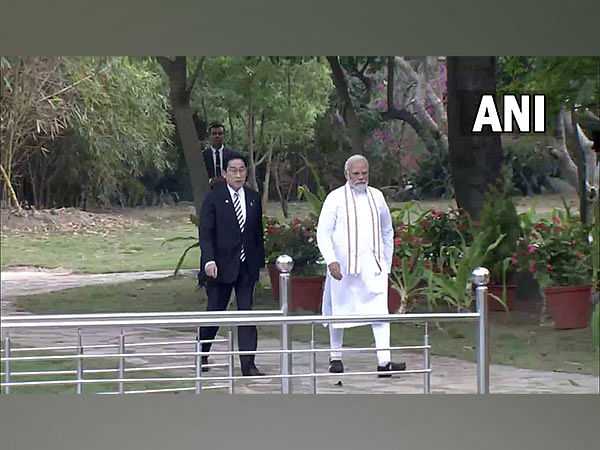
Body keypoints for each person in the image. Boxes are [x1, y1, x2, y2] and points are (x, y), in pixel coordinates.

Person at [316, 154, 407, 377]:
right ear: (347, 174)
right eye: (356, 173)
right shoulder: (335, 198)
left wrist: (385, 262)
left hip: (372, 267)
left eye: (364, 173)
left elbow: (387, 230)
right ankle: (335, 357)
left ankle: (384, 362)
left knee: (379, 313)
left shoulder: (377, 197)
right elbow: (323, 233)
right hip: (343, 269)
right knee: (339, 312)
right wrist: (331, 260)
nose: (360, 177)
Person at [198, 154, 266, 376]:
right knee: (215, 312)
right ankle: (202, 352)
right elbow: (206, 233)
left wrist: (260, 265)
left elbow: (257, 234)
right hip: (220, 266)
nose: (238, 175)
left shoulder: (254, 198)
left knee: (246, 314)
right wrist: (209, 260)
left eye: (242, 170)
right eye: (233, 170)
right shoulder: (214, 198)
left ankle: (248, 365)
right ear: (225, 173)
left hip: (246, 266)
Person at [202, 123, 241, 188]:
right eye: (214, 133)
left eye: (220, 133)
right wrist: (210, 181)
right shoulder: (203, 156)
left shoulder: (233, 156)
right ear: (209, 136)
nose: (217, 136)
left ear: (224, 136)